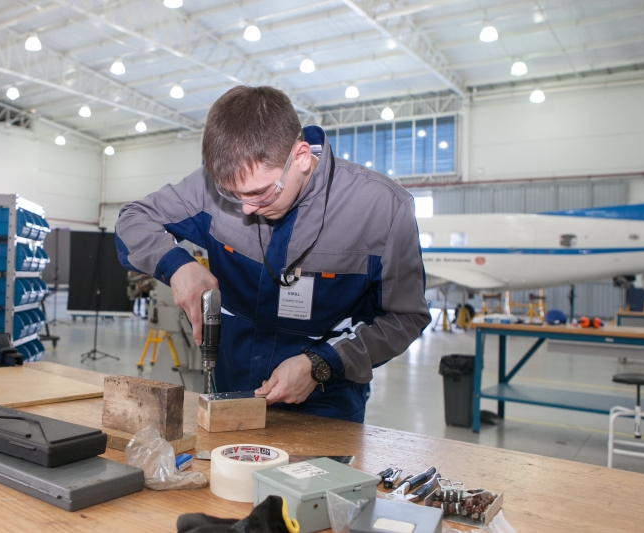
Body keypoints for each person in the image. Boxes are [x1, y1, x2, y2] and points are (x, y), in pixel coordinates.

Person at [116, 86, 430, 422]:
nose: (247, 208)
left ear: (301, 156)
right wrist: (177, 266)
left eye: (260, 193)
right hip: (232, 390)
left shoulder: (382, 210)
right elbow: (132, 220)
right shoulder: (217, 186)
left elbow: (405, 318)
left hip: (326, 403)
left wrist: (321, 363)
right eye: (232, 195)